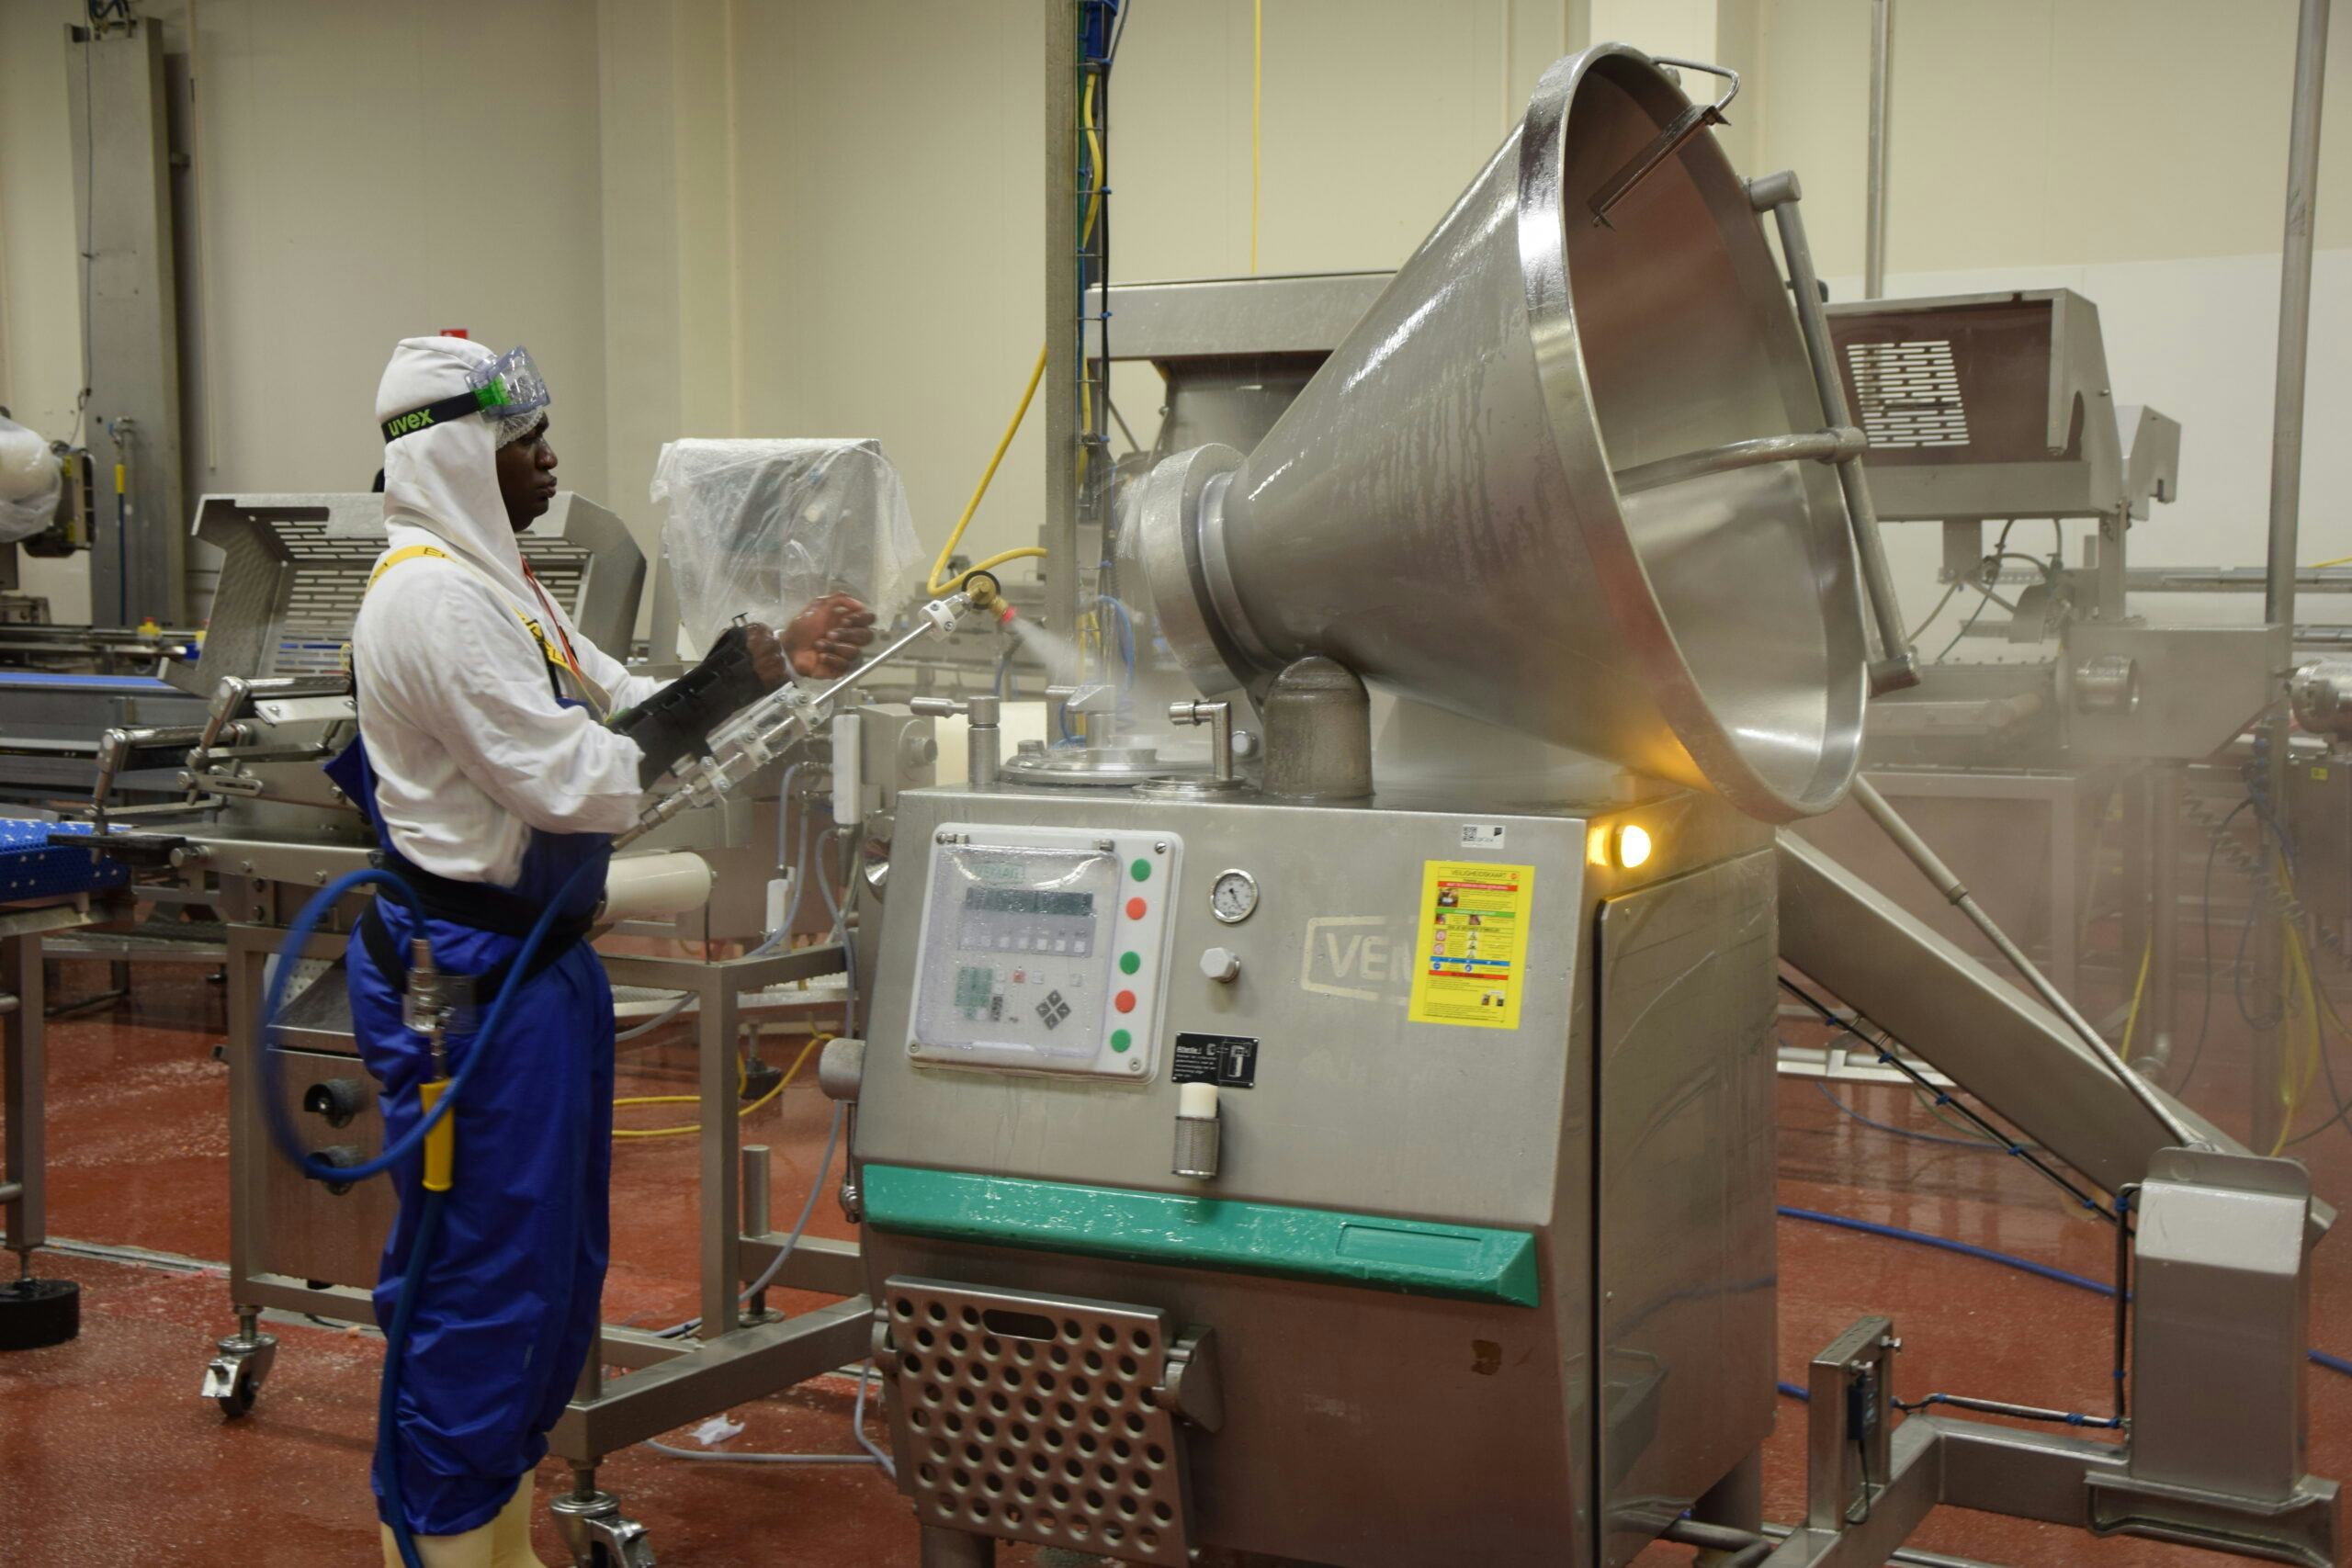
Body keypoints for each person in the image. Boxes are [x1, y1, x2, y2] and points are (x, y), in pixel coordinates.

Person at [337, 336, 873, 1566]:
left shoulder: (498, 584)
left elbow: (620, 698)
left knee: (551, 1275)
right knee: (479, 1284)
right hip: (468, 991)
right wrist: (726, 695)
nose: (551, 461)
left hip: (538, 974)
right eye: (530, 444)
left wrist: (765, 661)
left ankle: (503, 1538)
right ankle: (440, 1545)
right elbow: (578, 777)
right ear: (463, 455)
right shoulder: (429, 599)